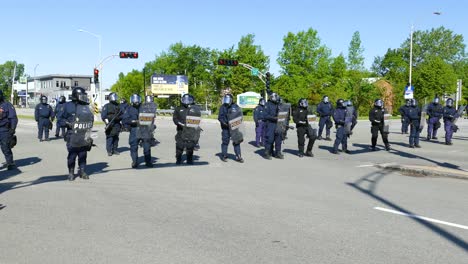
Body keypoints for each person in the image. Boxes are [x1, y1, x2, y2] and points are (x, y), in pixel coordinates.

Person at [61, 87, 94, 180]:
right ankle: (71, 172)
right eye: (82, 95)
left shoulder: (86, 106)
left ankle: (82, 172)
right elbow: (60, 119)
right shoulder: (67, 106)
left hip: (84, 134)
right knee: (72, 155)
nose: (84, 97)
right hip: (72, 135)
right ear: (76, 96)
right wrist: (67, 123)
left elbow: (91, 119)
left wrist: (89, 136)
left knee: (83, 155)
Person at [122, 94, 153, 168]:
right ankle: (135, 161)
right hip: (134, 129)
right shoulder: (128, 109)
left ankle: (148, 162)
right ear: (131, 100)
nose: (136, 101)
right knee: (133, 146)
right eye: (134, 99)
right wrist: (133, 121)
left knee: (147, 146)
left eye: (137, 99)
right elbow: (125, 120)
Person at [173, 94, 201, 165]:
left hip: (191, 130)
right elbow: (175, 118)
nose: (187, 101)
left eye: (189, 99)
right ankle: (178, 159)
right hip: (181, 130)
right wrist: (179, 123)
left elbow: (198, 117)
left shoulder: (195, 108)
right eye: (185, 99)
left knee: (190, 146)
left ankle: (189, 160)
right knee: (180, 145)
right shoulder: (178, 108)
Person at [218, 94, 244, 162]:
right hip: (226, 128)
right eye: (226, 99)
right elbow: (220, 117)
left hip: (234, 128)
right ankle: (224, 155)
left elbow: (240, 116)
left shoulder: (236, 106)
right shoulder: (223, 107)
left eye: (228, 99)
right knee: (225, 142)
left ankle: (238, 156)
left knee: (236, 142)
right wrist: (224, 123)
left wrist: (238, 122)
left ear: (232, 99)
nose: (227, 101)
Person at [264, 92, 288, 159]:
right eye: (275, 97)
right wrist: (274, 118)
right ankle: (267, 153)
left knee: (278, 139)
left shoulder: (279, 104)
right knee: (270, 139)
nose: (276, 98)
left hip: (279, 124)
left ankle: (278, 153)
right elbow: (265, 115)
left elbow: (284, 112)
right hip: (270, 124)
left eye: (277, 97)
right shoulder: (267, 104)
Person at [0, 89, 18, 170]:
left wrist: (12, 129)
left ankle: (10, 163)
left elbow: (13, 118)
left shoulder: (7, 105)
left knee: (5, 147)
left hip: (4, 130)